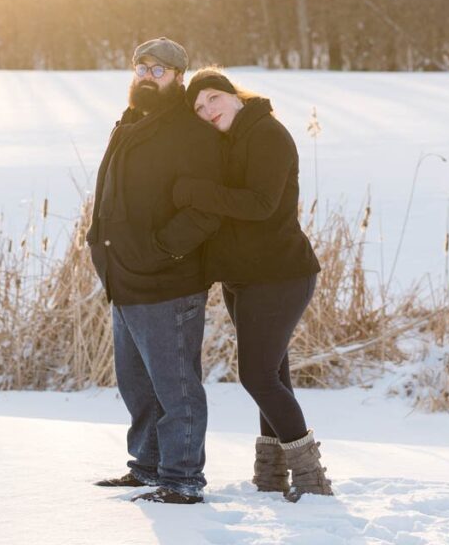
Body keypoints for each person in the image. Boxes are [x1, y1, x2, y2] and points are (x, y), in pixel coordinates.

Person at [155, 67, 332, 501]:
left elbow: (260, 203)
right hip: (247, 279)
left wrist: (194, 191)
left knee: (257, 376)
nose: (207, 110)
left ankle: (311, 478)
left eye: (213, 98)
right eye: (198, 108)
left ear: (235, 95)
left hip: (280, 276)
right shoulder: (234, 139)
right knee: (274, 375)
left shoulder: (267, 133)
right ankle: (272, 476)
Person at [87, 38, 222, 505]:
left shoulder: (190, 133)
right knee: (137, 385)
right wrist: (98, 243)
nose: (147, 76)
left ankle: (182, 478)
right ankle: (147, 466)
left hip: (168, 280)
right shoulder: (131, 123)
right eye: (141, 68)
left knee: (176, 386)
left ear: (179, 77)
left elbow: (206, 210)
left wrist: (161, 249)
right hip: (123, 277)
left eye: (159, 70)